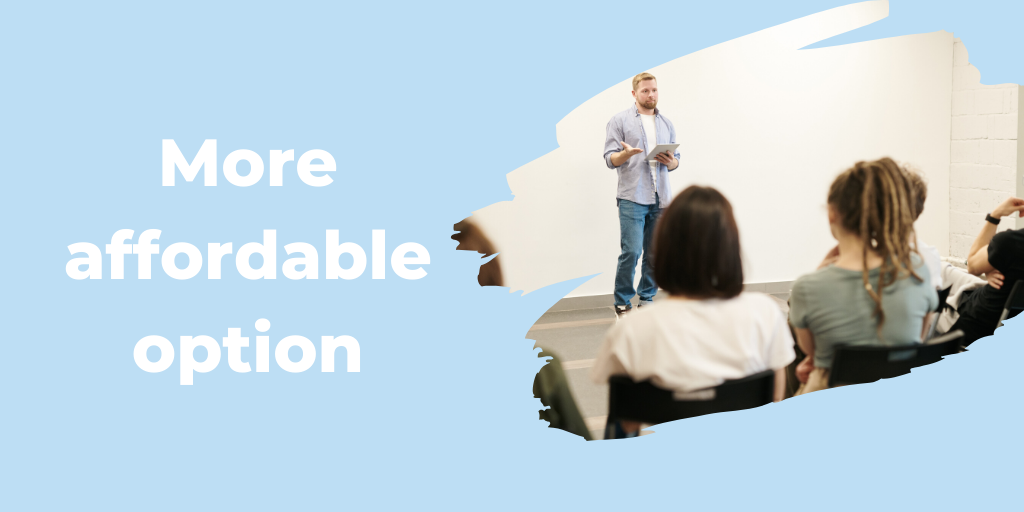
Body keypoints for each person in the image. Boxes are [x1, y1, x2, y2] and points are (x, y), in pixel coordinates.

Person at [591, 186, 795, 435]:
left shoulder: (631, 329)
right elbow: (776, 403)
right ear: (731, 247)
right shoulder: (765, 315)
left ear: (665, 248)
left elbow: (627, 424)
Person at [789, 158, 938, 395]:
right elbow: (915, 341)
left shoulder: (808, 288)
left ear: (832, 214)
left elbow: (813, 353)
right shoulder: (917, 270)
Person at [602, 72, 681, 317]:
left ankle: (647, 299)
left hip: (662, 198)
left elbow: (676, 161)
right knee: (632, 252)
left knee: (655, 253)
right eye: (645, 91)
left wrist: (670, 162)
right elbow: (609, 159)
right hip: (632, 197)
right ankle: (622, 302)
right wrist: (625, 155)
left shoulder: (666, 123)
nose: (651, 95)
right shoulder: (619, 121)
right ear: (635, 94)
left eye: (654, 90)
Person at [943, 197, 1024, 345]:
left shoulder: (1010, 242)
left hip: (975, 323)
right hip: (1008, 313)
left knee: (933, 293)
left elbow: (972, 266)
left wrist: (995, 215)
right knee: (944, 269)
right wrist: (993, 266)